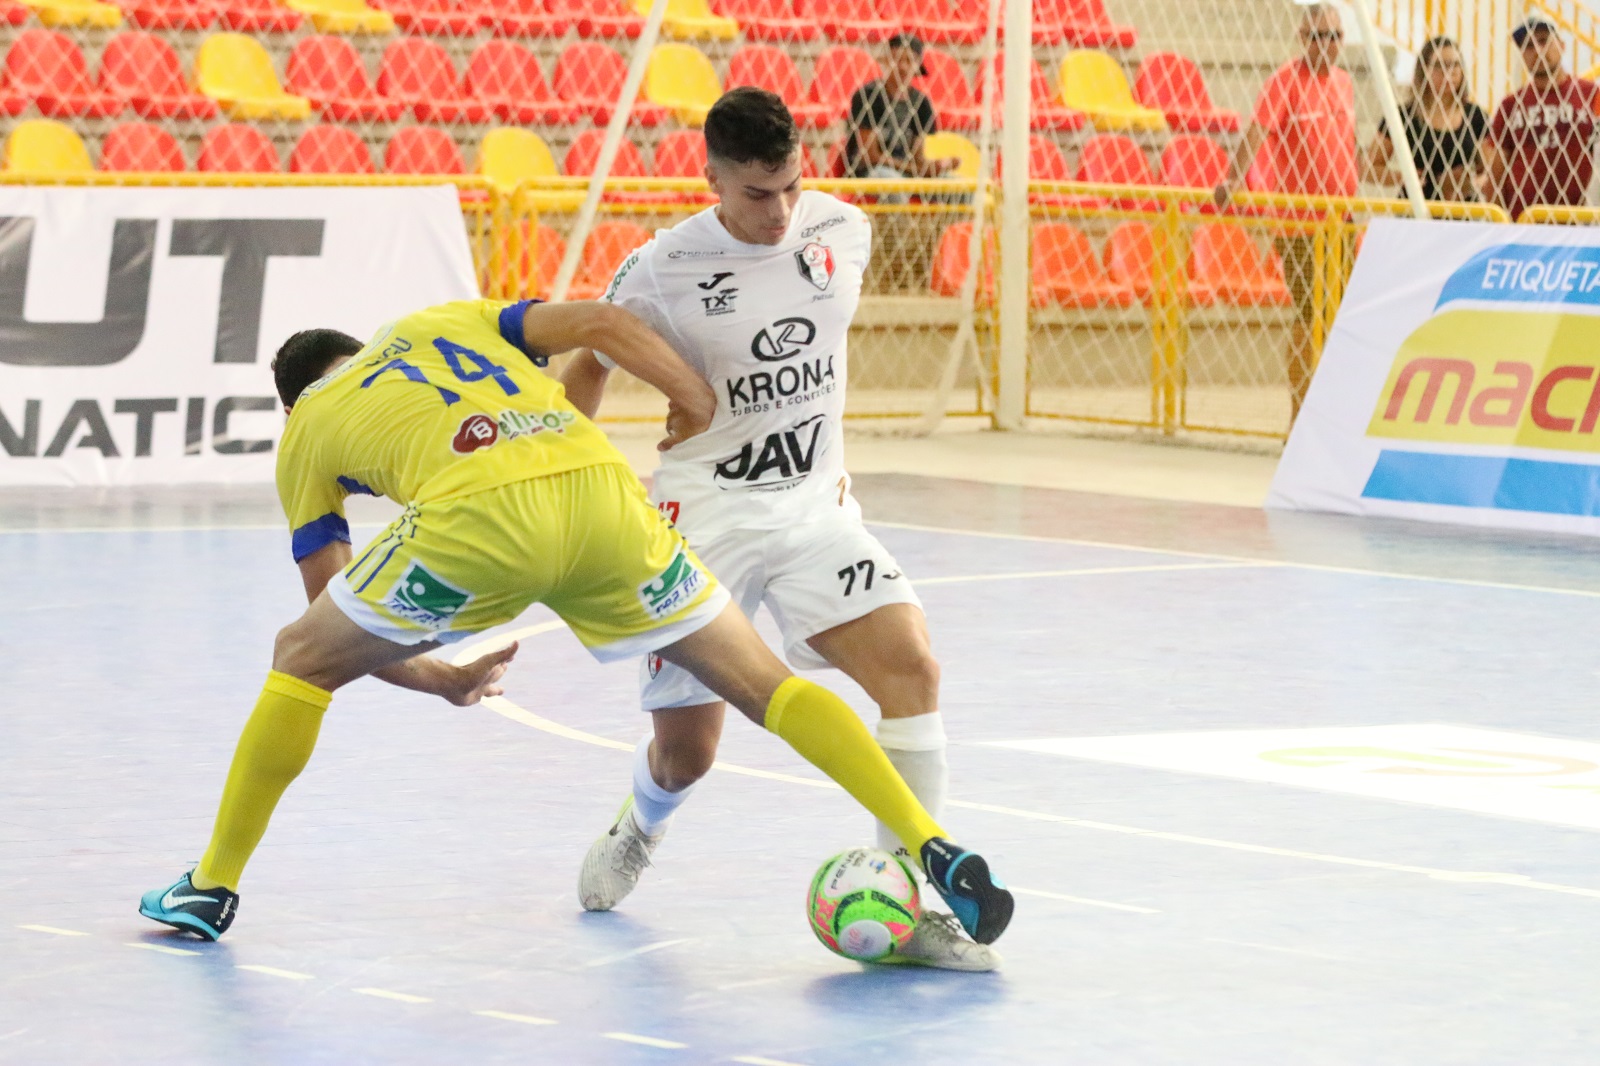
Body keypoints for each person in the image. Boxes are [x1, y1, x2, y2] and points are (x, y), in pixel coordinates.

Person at [136, 295, 1015, 951]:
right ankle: (930, 843)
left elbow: (327, 620)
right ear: (363, 349)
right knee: (765, 686)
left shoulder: (308, 430)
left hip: (475, 522)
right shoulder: (446, 320)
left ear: (294, 401)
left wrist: (441, 678)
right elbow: (602, 318)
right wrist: (692, 399)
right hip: (603, 496)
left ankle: (211, 887)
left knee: (298, 660)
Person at [559, 87, 994, 971]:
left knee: (913, 667)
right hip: (704, 520)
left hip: (813, 510)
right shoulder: (660, 267)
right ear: (711, 175)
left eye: (792, 186)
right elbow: (586, 372)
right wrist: (575, 483)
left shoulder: (843, 232)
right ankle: (641, 821)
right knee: (690, 755)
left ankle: (915, 908)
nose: (780, 211)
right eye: (757, 194)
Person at [1214, 2, 1356, 423]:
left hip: (1340, 222)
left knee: (1339, 316)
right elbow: (1256, 131)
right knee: (1310, 314)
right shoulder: (1284, 82)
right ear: (1301, 38)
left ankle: (1330, 408)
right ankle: (1299, 413)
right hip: (1299, 224)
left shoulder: (1345, 84)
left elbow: (1344, 148)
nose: (1325, 45)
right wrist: (1233, 178)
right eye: (1316, 36)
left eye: (1333, 36)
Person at [1482, 14, 1600, 223]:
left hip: (1582, 220)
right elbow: (1497, 171)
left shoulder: (1592, 95)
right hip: (1525, 221)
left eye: (1544, 40)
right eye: (1528, 46)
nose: (1536, 50)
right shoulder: (1510, 105)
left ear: (1562, 45)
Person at [1363, 35, 1487, 202]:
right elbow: (1369, 168)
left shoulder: (1476, 116)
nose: (1448, 72)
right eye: (1439, 66)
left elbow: (1490, 170)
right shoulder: (1403, 116)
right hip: (1416, 208)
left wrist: (1469, 183)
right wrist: (1406, 177)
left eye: (1454, 65)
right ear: (1424, 70)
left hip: (1462, 212)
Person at [843, 31, 955, 181]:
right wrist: (916, 170)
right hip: (870, 172)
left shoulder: (921, 102)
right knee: (892, 182)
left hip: (905, 172)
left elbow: (917, 157)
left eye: (909, 61)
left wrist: (938, 165)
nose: (902, 66)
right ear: (886, 61)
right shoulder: (868, 95)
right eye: (896, 59)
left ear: (918, 64)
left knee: (955, 185)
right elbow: (870, 157)